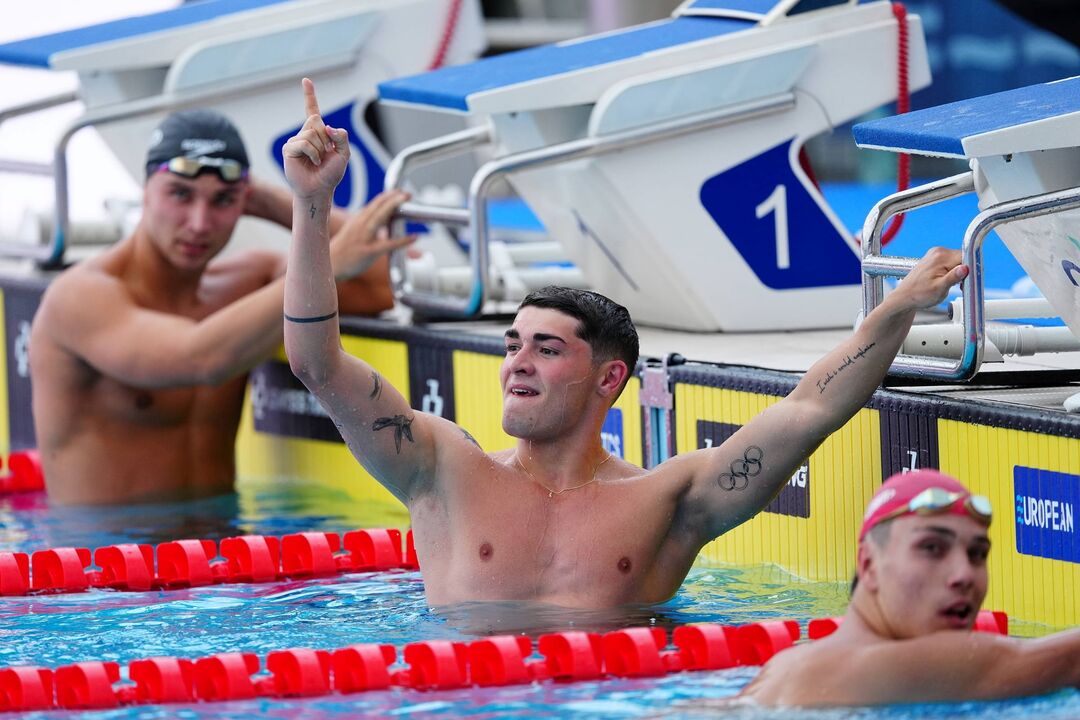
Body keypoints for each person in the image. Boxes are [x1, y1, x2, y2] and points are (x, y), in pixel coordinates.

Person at [283, 78, 971, 608]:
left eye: (547, 350)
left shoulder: (668, 501)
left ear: (610, 380)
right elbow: (317, 365)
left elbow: (810, 410)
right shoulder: (442, 469)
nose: (516, 364)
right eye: (513, 345)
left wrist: (900, 307)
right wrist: (311, 207)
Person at [30, 106, 415, 505]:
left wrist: (293, 198)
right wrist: (330, 257)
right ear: (144, 190)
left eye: (223, 200)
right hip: (102, 560)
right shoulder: (79, 298)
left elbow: (386, 284)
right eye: (180, 194)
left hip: (225, 552)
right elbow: (200, 357)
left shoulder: (245, 283)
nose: (200, 222)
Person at [738, 469, 1080, 706]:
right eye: (932, 548)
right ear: (868, 564)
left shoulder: (789, 664)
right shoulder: (895, 667)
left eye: (978, 554)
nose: (964, 574)